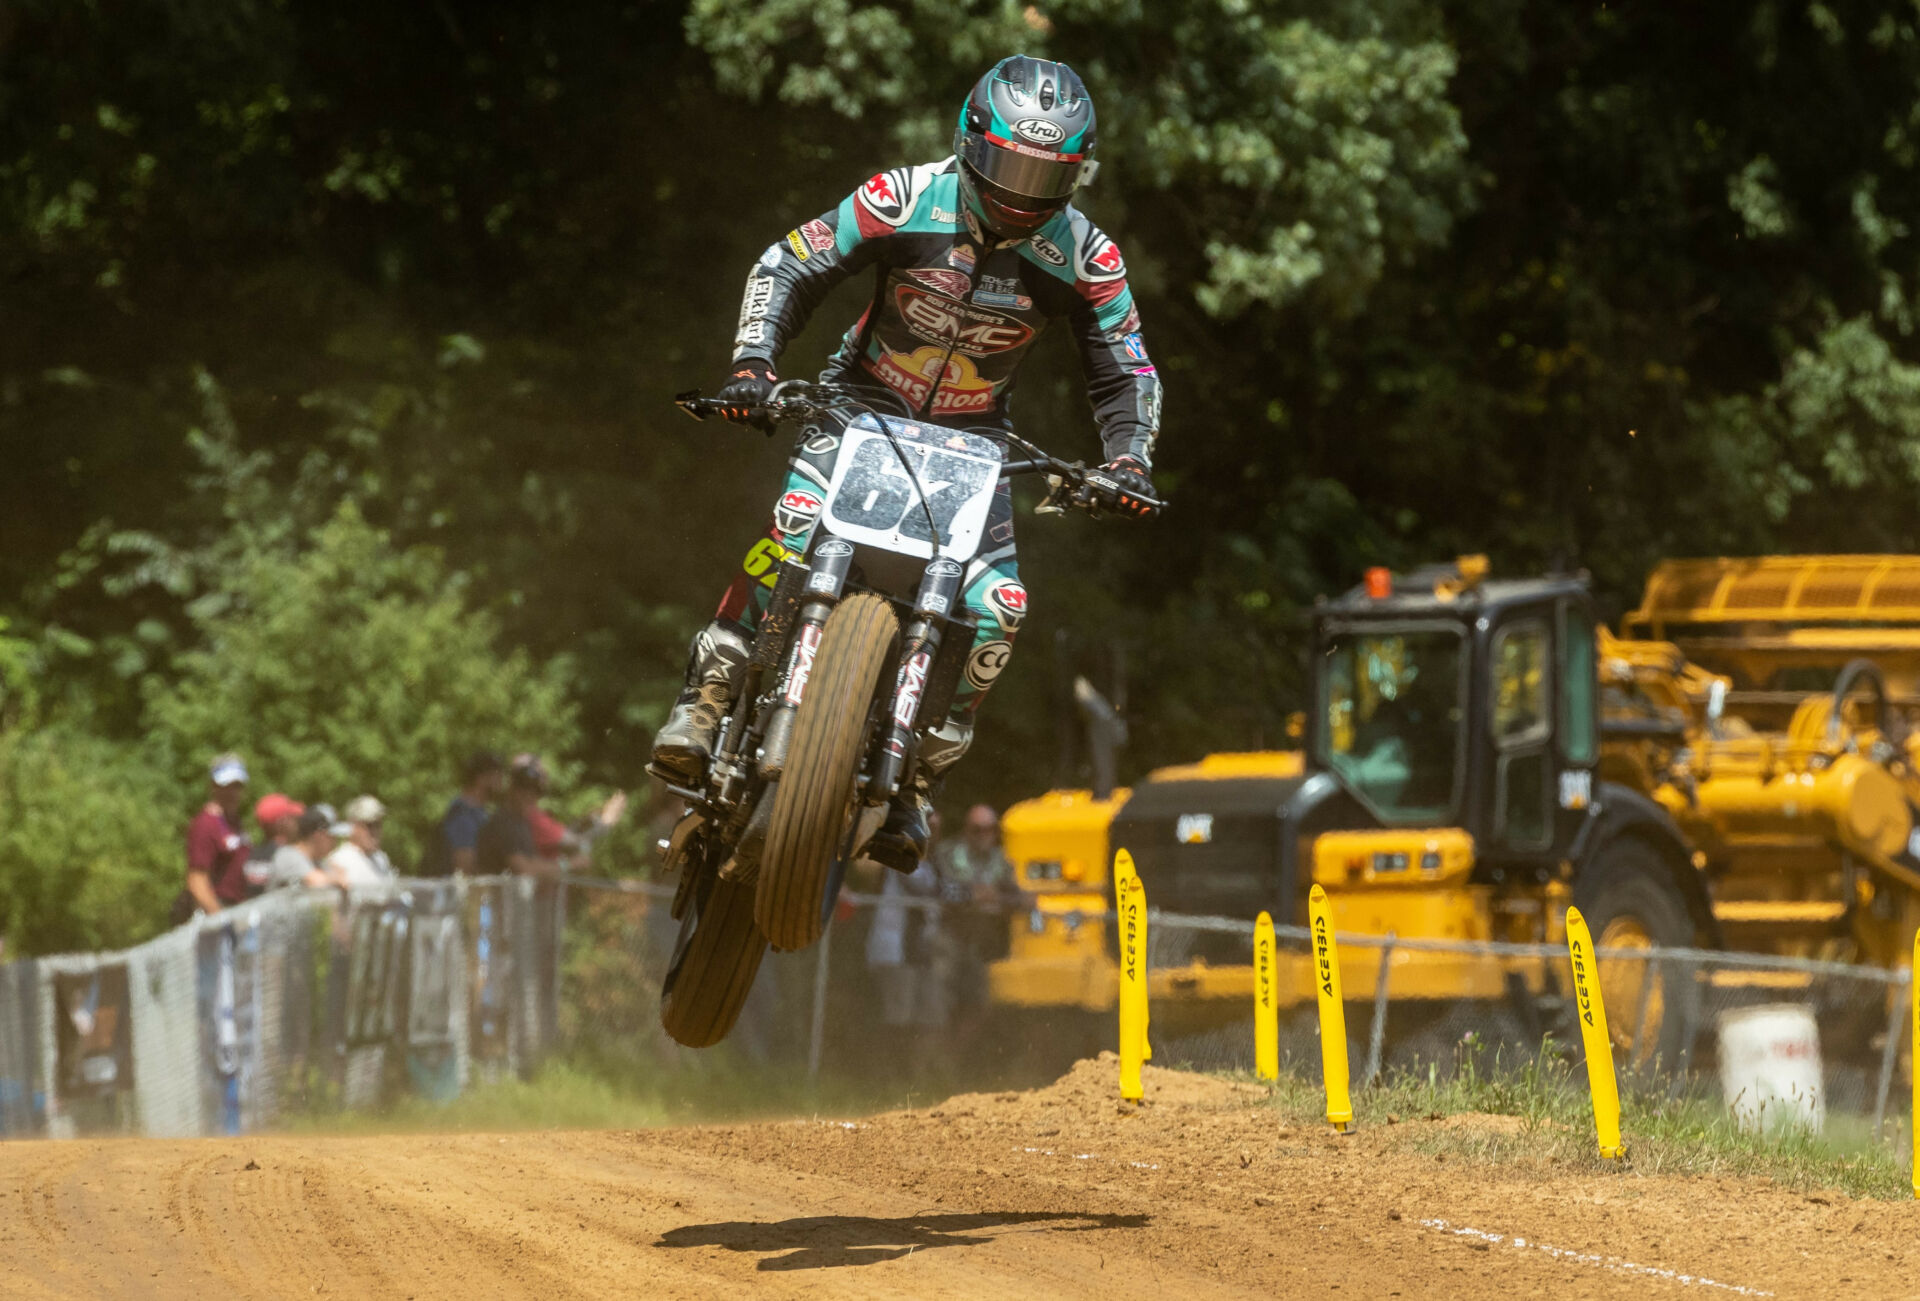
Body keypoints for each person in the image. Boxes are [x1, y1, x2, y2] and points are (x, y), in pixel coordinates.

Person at [652, 55, 1164, 874]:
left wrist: (1129, 458)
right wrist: (752, 365)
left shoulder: (1088, 255)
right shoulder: (903, 196)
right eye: (1010, 165)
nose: (1023, 191)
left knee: (1002, 608)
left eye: (1047, 174)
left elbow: (1126, 365)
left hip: (977, 446)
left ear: (1078, 175)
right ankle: (707, 694)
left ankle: (917, 777)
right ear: (970, 144)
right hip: (857, 406)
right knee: (786, 532)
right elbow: (791, 261)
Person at [173, 753, 252, 922]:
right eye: (226, 785)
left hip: (237, 908)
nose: (232, 792)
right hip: (214, 912)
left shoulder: (235, 823)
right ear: (213, 786)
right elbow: (197, 879)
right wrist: (220, 918)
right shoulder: (207, 824)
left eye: (237, 786)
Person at [421, 750, 504, 877]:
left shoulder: (479, 814)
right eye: (497, 774)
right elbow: (465, 868)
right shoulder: (463, 816)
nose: (501, 780)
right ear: (481, 778)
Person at [475, 754, 552, 878]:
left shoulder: (521, 822)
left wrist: (565, 864)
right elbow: (524, 869)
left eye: (535, 791)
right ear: (512, 788)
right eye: (523, 788)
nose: (529, 795)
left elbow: (535, 862)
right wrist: (569, 864)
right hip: (493, 896)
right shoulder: (502, 822)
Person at [323, 795, 395, 890]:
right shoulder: (340, 859)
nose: (375, 831)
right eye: (369, 825)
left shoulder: (380, 858)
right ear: (353, 826)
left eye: (378, 825)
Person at [242, 793, 306, 898]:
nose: (296, 822)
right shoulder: (288, 855)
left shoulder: (251, 854)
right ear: (282, 822)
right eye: (292, 817)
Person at [270, 806, 337, 890]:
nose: (334, 841)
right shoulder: (287, 856)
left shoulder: (318, 861)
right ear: (318, 836)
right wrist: (337, 878)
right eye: (331, 836)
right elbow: (317, 882)